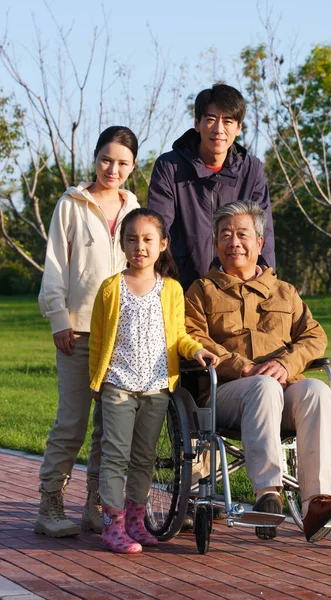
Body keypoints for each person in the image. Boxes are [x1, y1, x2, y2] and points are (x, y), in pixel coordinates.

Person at [185, 200, 331, 543]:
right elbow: (192, 335)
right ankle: (268, 494)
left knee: (318, 391)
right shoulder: (202, 291)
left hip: (283, 387)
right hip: (229, 391)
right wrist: (242, 366)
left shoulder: (285, 292)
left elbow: (314, 335)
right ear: (216, 243)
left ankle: (316, 502)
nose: (234, 241)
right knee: (262, 386)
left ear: (259, 243)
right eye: (225, 235)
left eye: (242, 234)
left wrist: (286, 363)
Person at [89, 208, 219, 554]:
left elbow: (178, 336)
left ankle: (135, 522)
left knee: (144, 457)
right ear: (122, 244)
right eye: (131, 239)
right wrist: (96, 383)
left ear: (163, 244)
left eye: (147, 239)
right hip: (118, 384)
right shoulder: (111, 288)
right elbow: (99, 341)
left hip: (157, 386)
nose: (139, 247)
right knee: (115, 456)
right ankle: (112, 527)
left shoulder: (173, 290)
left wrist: (197, 351)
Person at [36, 126, 141, 538]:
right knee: (73, 422)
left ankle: (96, 507)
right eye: (105, 159)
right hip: (77, 331)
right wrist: (59, 318)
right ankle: (49, 505)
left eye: (122, 163)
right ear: (95, 157)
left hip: (121, 332)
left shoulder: (134, 207)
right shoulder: (71, 204)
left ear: (133, 166)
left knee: (110, 426)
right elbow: (56, 266)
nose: (112, 169)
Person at [147, 83, 276, 292]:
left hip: (239, 289)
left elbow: (264, 233)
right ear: (197, 123)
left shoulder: (252, 170)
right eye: (211, 120)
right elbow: (158, 229)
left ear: (239, 127)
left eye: (228, 121)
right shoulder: (169, 167)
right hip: (182, 288)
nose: (219, 129)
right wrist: (161, 284)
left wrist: (266, 285)